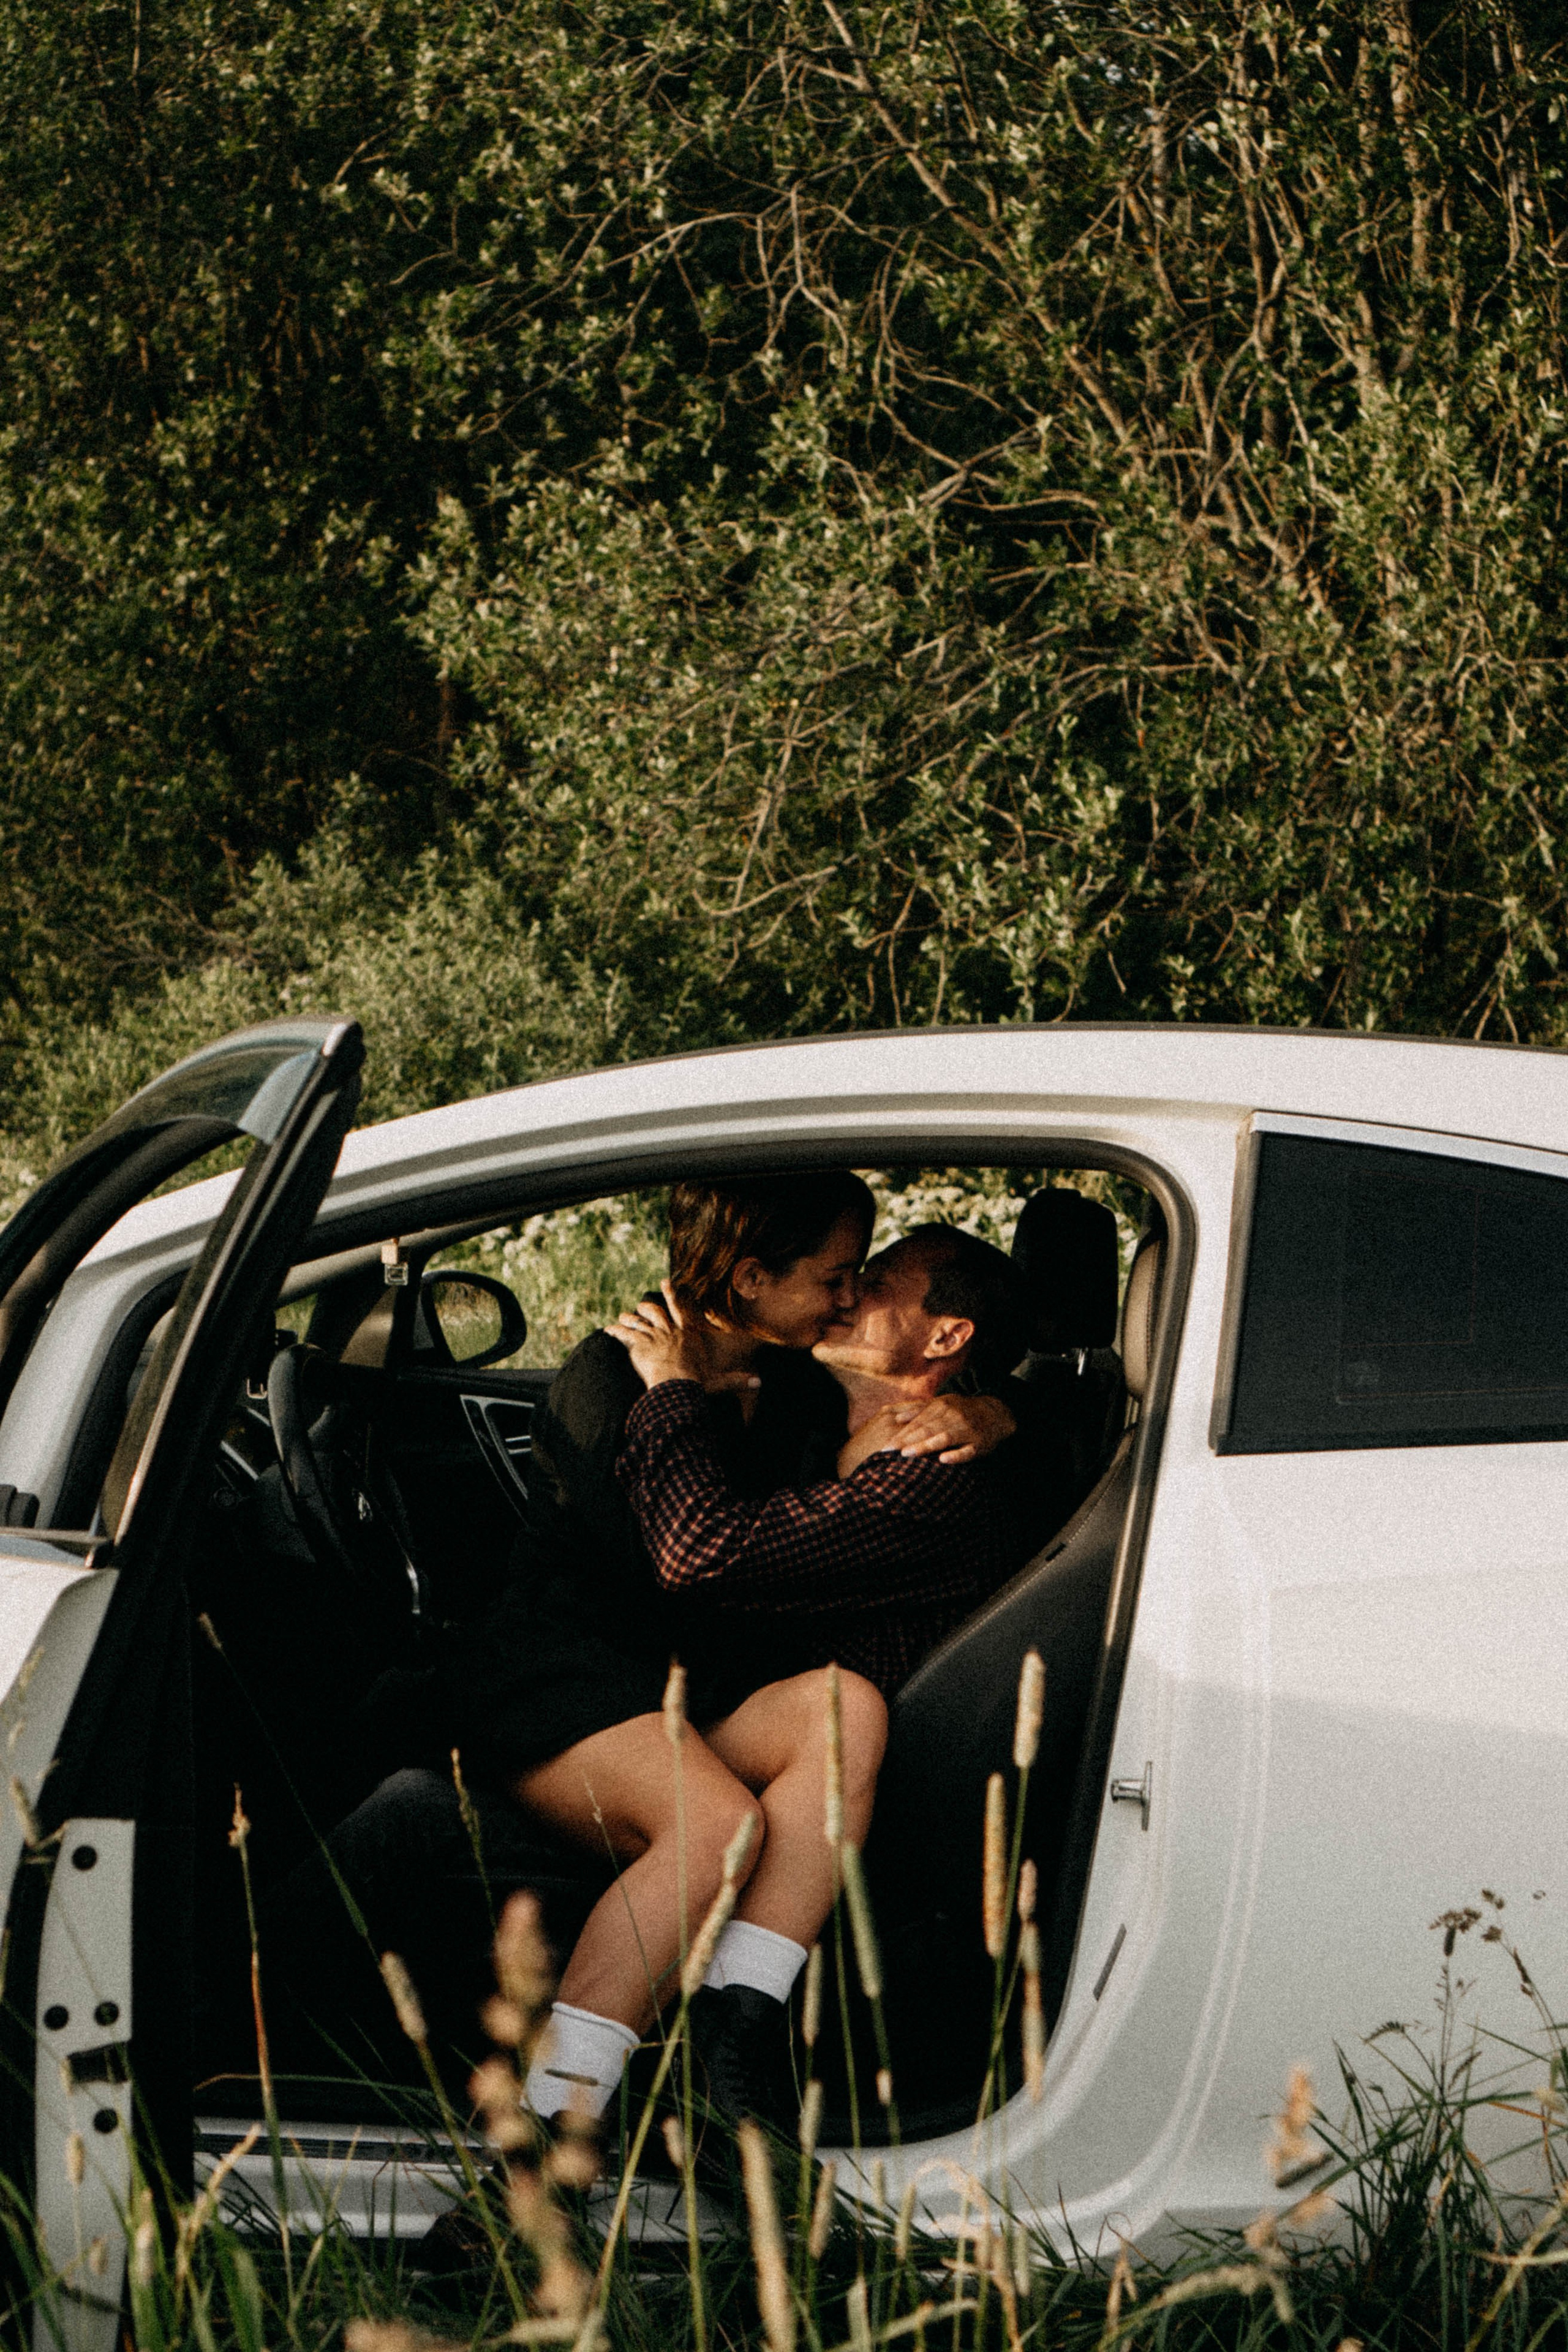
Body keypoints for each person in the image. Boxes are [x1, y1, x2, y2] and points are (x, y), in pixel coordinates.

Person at [440, 1174, 1016, 2139]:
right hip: (568, 1679)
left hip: (684, 1689)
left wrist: (996, 1413)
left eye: (862, 1281)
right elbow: (683, 1565)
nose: (847, 1297)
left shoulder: (797, 1381)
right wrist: (678, 1400)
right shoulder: (615, 1375)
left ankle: (729, 2058)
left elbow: (927, 1395)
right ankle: (545, 2135)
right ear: (751, 1277)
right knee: (722, 1827)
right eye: (836, 1278)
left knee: (847, 1709)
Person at [611, 1224, 1031, 1695]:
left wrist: (670, 1384)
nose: (845, 1297)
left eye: (876, 1286)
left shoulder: (934, 1474)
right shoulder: (806, 1400)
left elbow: (700, 1555)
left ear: (946, 1337)